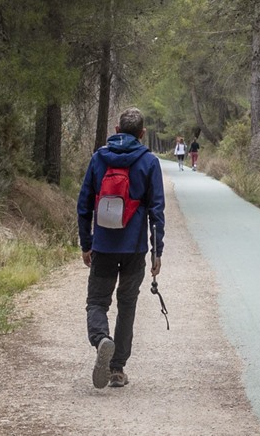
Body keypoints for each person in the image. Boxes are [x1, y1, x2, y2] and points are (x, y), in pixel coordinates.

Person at [76, 106, 165, 390]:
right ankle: (117, 370)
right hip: (134, 249)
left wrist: (86, 243)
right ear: (142, 133)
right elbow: (156, 211)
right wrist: (156, 252)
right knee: (127, 305)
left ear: (116, 130)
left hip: (103, 245)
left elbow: (84, 205)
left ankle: (102, 339)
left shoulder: (99, 158)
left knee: (97, 302)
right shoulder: (149, 162)